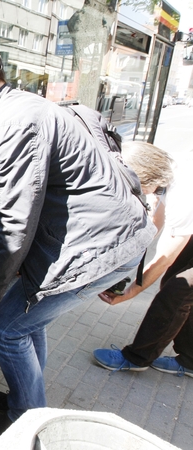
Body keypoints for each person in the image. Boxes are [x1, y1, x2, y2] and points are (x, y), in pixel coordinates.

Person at [0, 40, 156, 442]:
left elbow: (17, 221)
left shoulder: (10, 125)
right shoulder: (26, 105)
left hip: (100, 247)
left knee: (5, 325)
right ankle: (26, 396)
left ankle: (26, 424)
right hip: (106, 237)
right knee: (25, 315)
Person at [93, 143, 193, 378]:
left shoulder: (184, 192)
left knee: (177, 289)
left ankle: (137, 358)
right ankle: (190, 358)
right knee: (180, 289)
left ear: (146, 178)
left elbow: (165, 257)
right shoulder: (167, 169)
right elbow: (155, 221)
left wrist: (133, 291)